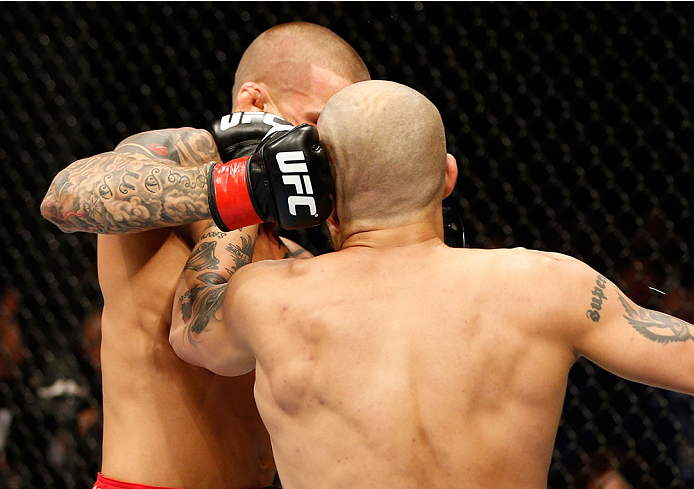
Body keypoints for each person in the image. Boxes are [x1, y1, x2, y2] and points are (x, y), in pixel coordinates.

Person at [168, 80, 694, 489]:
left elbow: (189, 331)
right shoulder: (548, 285)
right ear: (447, 175)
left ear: (319, 194)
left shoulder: (268, 298)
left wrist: (242, 192)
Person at [41, 22, 369, 489]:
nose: (328, 150)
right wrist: (242, 186)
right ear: (254, 103)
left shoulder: (295, 256)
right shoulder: (179, 158)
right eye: (317, 122)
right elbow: (64, 199)